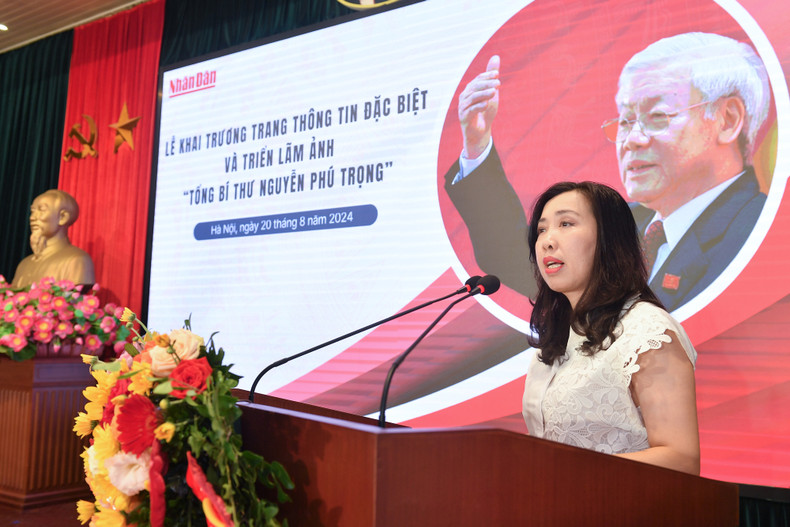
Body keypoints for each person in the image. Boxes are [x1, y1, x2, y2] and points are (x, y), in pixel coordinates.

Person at [445, 32, 772, 312]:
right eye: (626, 121)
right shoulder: (626, 225)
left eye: (657, 116)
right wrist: (477, 143)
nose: (632, 139)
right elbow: (516, 258)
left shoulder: (759, 233)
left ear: (727, 120)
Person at [522, 181, 700, 475]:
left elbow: (681, 459)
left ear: (609, 239)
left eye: (566, 224)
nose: (547, 241)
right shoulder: (557, 339)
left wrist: (570, 472)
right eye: (541, 229)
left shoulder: (648, 330)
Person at [11, 189, 95, 289]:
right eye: (32, 211)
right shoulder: (24, 264)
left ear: (63, 217)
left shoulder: (78, 260)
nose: (32, 217)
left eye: (41, 210)